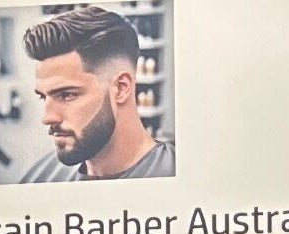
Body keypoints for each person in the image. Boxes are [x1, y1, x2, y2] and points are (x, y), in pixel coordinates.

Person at [13, 7, 175, 183]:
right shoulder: (38, 179)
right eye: (44, 97)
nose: (48, 118)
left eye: (66, 95)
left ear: (121, 88)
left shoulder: (180, 175)